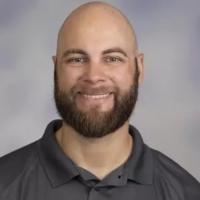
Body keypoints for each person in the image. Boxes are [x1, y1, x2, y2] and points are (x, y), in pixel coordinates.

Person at [0, 1, 199, 200]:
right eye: (77, 59)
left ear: (140, 68)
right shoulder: (5, 184)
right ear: (56, 69)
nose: (94, 76)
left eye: (112, 58)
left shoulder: (186, 192)